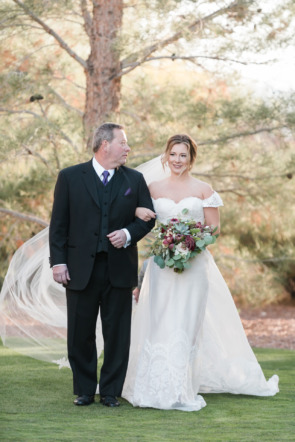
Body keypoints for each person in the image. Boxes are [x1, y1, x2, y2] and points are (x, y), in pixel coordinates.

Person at [121, 134, 279, 411]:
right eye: (173, 154)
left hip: (194, 266)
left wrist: (189, 242)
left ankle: (181, 387)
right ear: (166, 156)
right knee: (159, 320)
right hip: (162, 267)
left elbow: (214, 230)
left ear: (191, 158)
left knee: (186, 322)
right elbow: (140, 218)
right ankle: (152, 383)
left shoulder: (204, 189)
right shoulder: (152, 187)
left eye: (183, 155)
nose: (177, 160)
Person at [49, 122, 155, 407]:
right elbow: (58, 225)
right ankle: (85, 389)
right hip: (80, 269)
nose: (128, 148)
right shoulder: (70, 177)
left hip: (119, 269)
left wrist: (128, 233)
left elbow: (149, 218)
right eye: (123, 143)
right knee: (80, 333)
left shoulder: (134, 179)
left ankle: (110, 392)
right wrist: (57, 262)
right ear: (105, 144)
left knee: (117, 334)